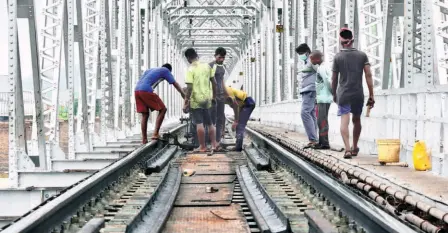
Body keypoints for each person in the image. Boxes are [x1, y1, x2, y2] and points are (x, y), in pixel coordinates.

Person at [332, 28, 375, 159]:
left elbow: (334, 78)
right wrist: (372, 94)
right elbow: (368, 75)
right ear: (352, 40)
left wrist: (333, 93)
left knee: (344, 121)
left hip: (343, 94)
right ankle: (355, 146)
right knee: (356, 120)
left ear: (341, 41)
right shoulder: (362, 55)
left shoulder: (338, 57)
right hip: (358, 94)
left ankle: (347, 149)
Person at [134, 64, 185, 144]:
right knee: (163, 109)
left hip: (137, 90)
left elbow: (148, 82)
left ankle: (144, 139)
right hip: (145, 90)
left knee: (145, 115)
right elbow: (174, 83)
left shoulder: (150, 70)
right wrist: (183, 94)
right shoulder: (166, 70)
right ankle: (155, 134)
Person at [183, 48, 219, 152]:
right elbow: (214, 83)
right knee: (210, 123)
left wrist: (186, 102)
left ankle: (202, 147)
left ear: (188, 58)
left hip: (196, 100)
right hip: (207, 99)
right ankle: (213, 145)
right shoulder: (206, 66)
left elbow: (189, 88)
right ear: (196, 55)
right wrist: (214, 97)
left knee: (199, 123)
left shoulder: (190, 69)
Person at [296, 43, 318, 148]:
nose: (300, 55)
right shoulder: (307, 62)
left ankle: (313, 139)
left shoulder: (312, 60)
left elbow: (321, 72)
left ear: (307, 52)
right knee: (312, 113)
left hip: (310, 90)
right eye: (299, 54)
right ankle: (315, 139)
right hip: (307, 90)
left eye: (301, 53)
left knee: (304, 113)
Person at [309, 50, 332, 149]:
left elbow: (327, 81)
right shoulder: (325, 66)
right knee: (321, 120)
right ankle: (322, 142)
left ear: (317, 59)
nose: (310, 61)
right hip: (323, 98)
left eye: (311, 59)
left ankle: (325, 144)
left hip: (323, 98)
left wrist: (333, 92)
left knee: (322, 121)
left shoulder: (321, 68)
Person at [224, 86, 255, 151]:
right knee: (239, 124)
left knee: (240, 125)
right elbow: (234, 106)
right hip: (243, 104)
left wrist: (236, 121)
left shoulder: (227, 91)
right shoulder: (221, 93)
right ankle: (238, 146)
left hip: (248, 103)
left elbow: (235, 106)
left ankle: (238, 148)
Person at [209, 47, 229, 145]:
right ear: (215, 56)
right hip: (212, 96)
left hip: (221, 96)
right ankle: (212, 140)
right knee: (212, 118)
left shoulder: (223, 67)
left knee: (220, 117)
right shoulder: (210, 66)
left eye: (223, 58)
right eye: (220, 57)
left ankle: (217, 140)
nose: (221, 59)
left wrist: (227, 94)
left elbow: (221, 81)